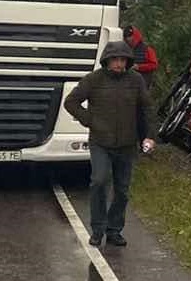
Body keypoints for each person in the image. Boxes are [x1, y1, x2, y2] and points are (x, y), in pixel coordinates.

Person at [64, 41, 157, 248]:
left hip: (126, 144)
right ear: (107, 60)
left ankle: (114, 230)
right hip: (101, 142)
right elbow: (71, 102)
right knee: (99, 181)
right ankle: (97, 229)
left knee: (122, 190)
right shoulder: (93, 80)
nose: (119, 63)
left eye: (123, 59)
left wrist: (149, 136)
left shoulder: (135, 80)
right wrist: (89, 120)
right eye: (115, 59)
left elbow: (146, 109)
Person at [122, 25, 158, 90]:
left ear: (135, 36)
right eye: (126, 36)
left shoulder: (147, 49)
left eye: (130, 36)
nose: (128, 39)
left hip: (143, 85)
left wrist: (139, 67)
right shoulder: (124, 49)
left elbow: (154, 65)